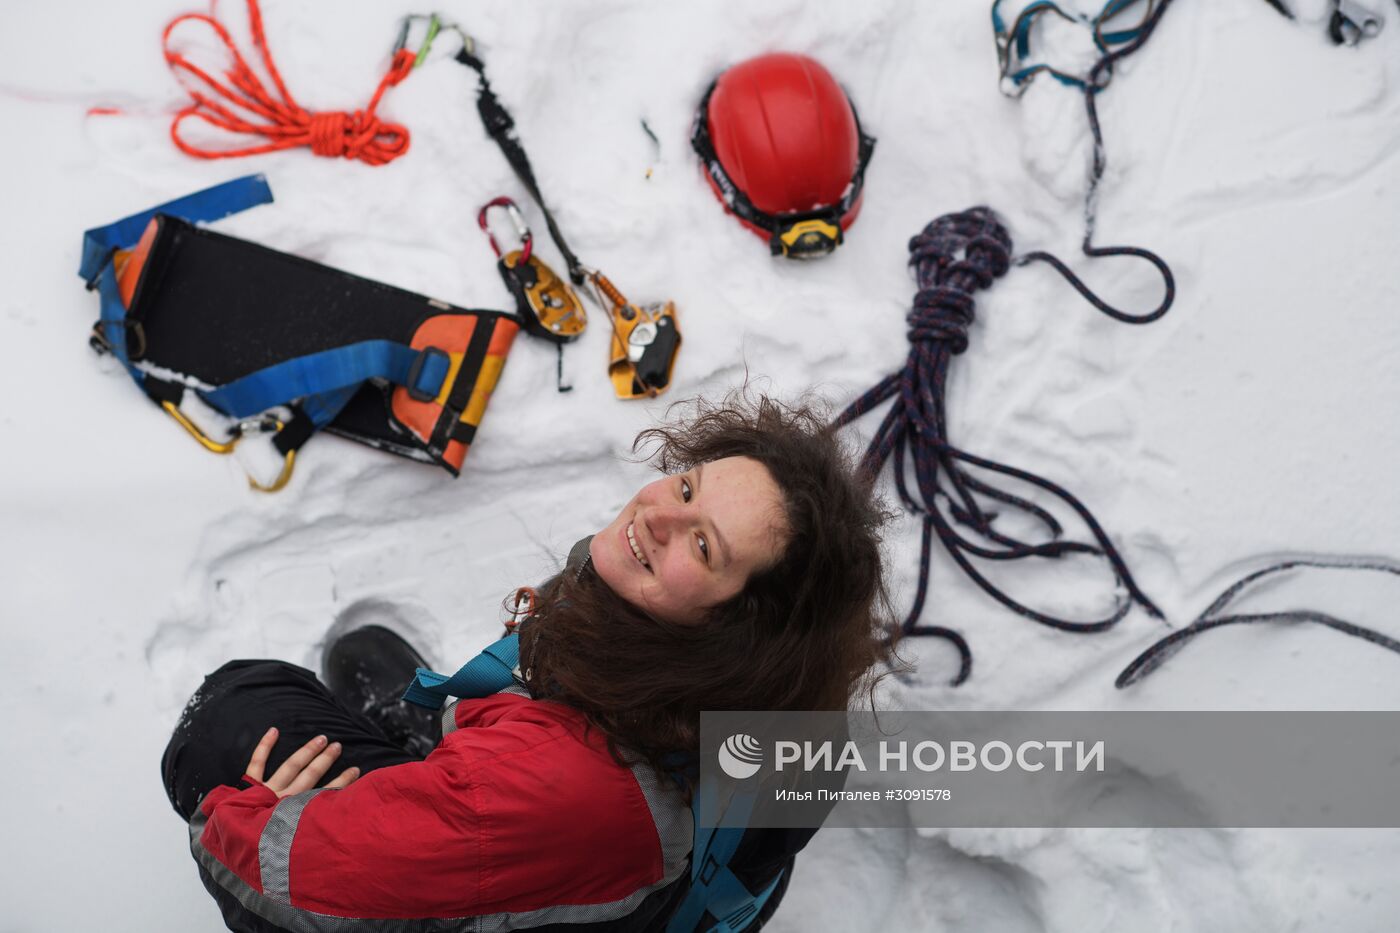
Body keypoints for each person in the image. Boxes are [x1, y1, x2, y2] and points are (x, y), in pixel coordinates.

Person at [161, 391, 903, 933]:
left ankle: (433, 770)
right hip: (641, 875)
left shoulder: (560, 782)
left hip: (547, 821)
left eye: (704, 545)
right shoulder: (789, 687)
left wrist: (242, 813)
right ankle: (446, 766)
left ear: (737, 629)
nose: (658, 515)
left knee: (233, 716)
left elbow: (272, 872)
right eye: (686, 486)